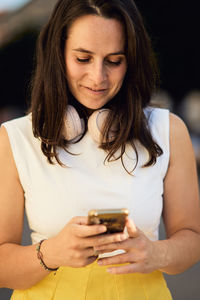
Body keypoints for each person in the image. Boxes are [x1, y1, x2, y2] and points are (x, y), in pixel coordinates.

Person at [0, 0, 200, 299]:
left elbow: (192, 239)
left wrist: (155, 254)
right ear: (58, 56)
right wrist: (51, 253)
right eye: (83, 58)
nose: (98, 77)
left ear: (131, 61)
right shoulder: (16, 137)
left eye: (114, 60)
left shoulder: (168, 130)